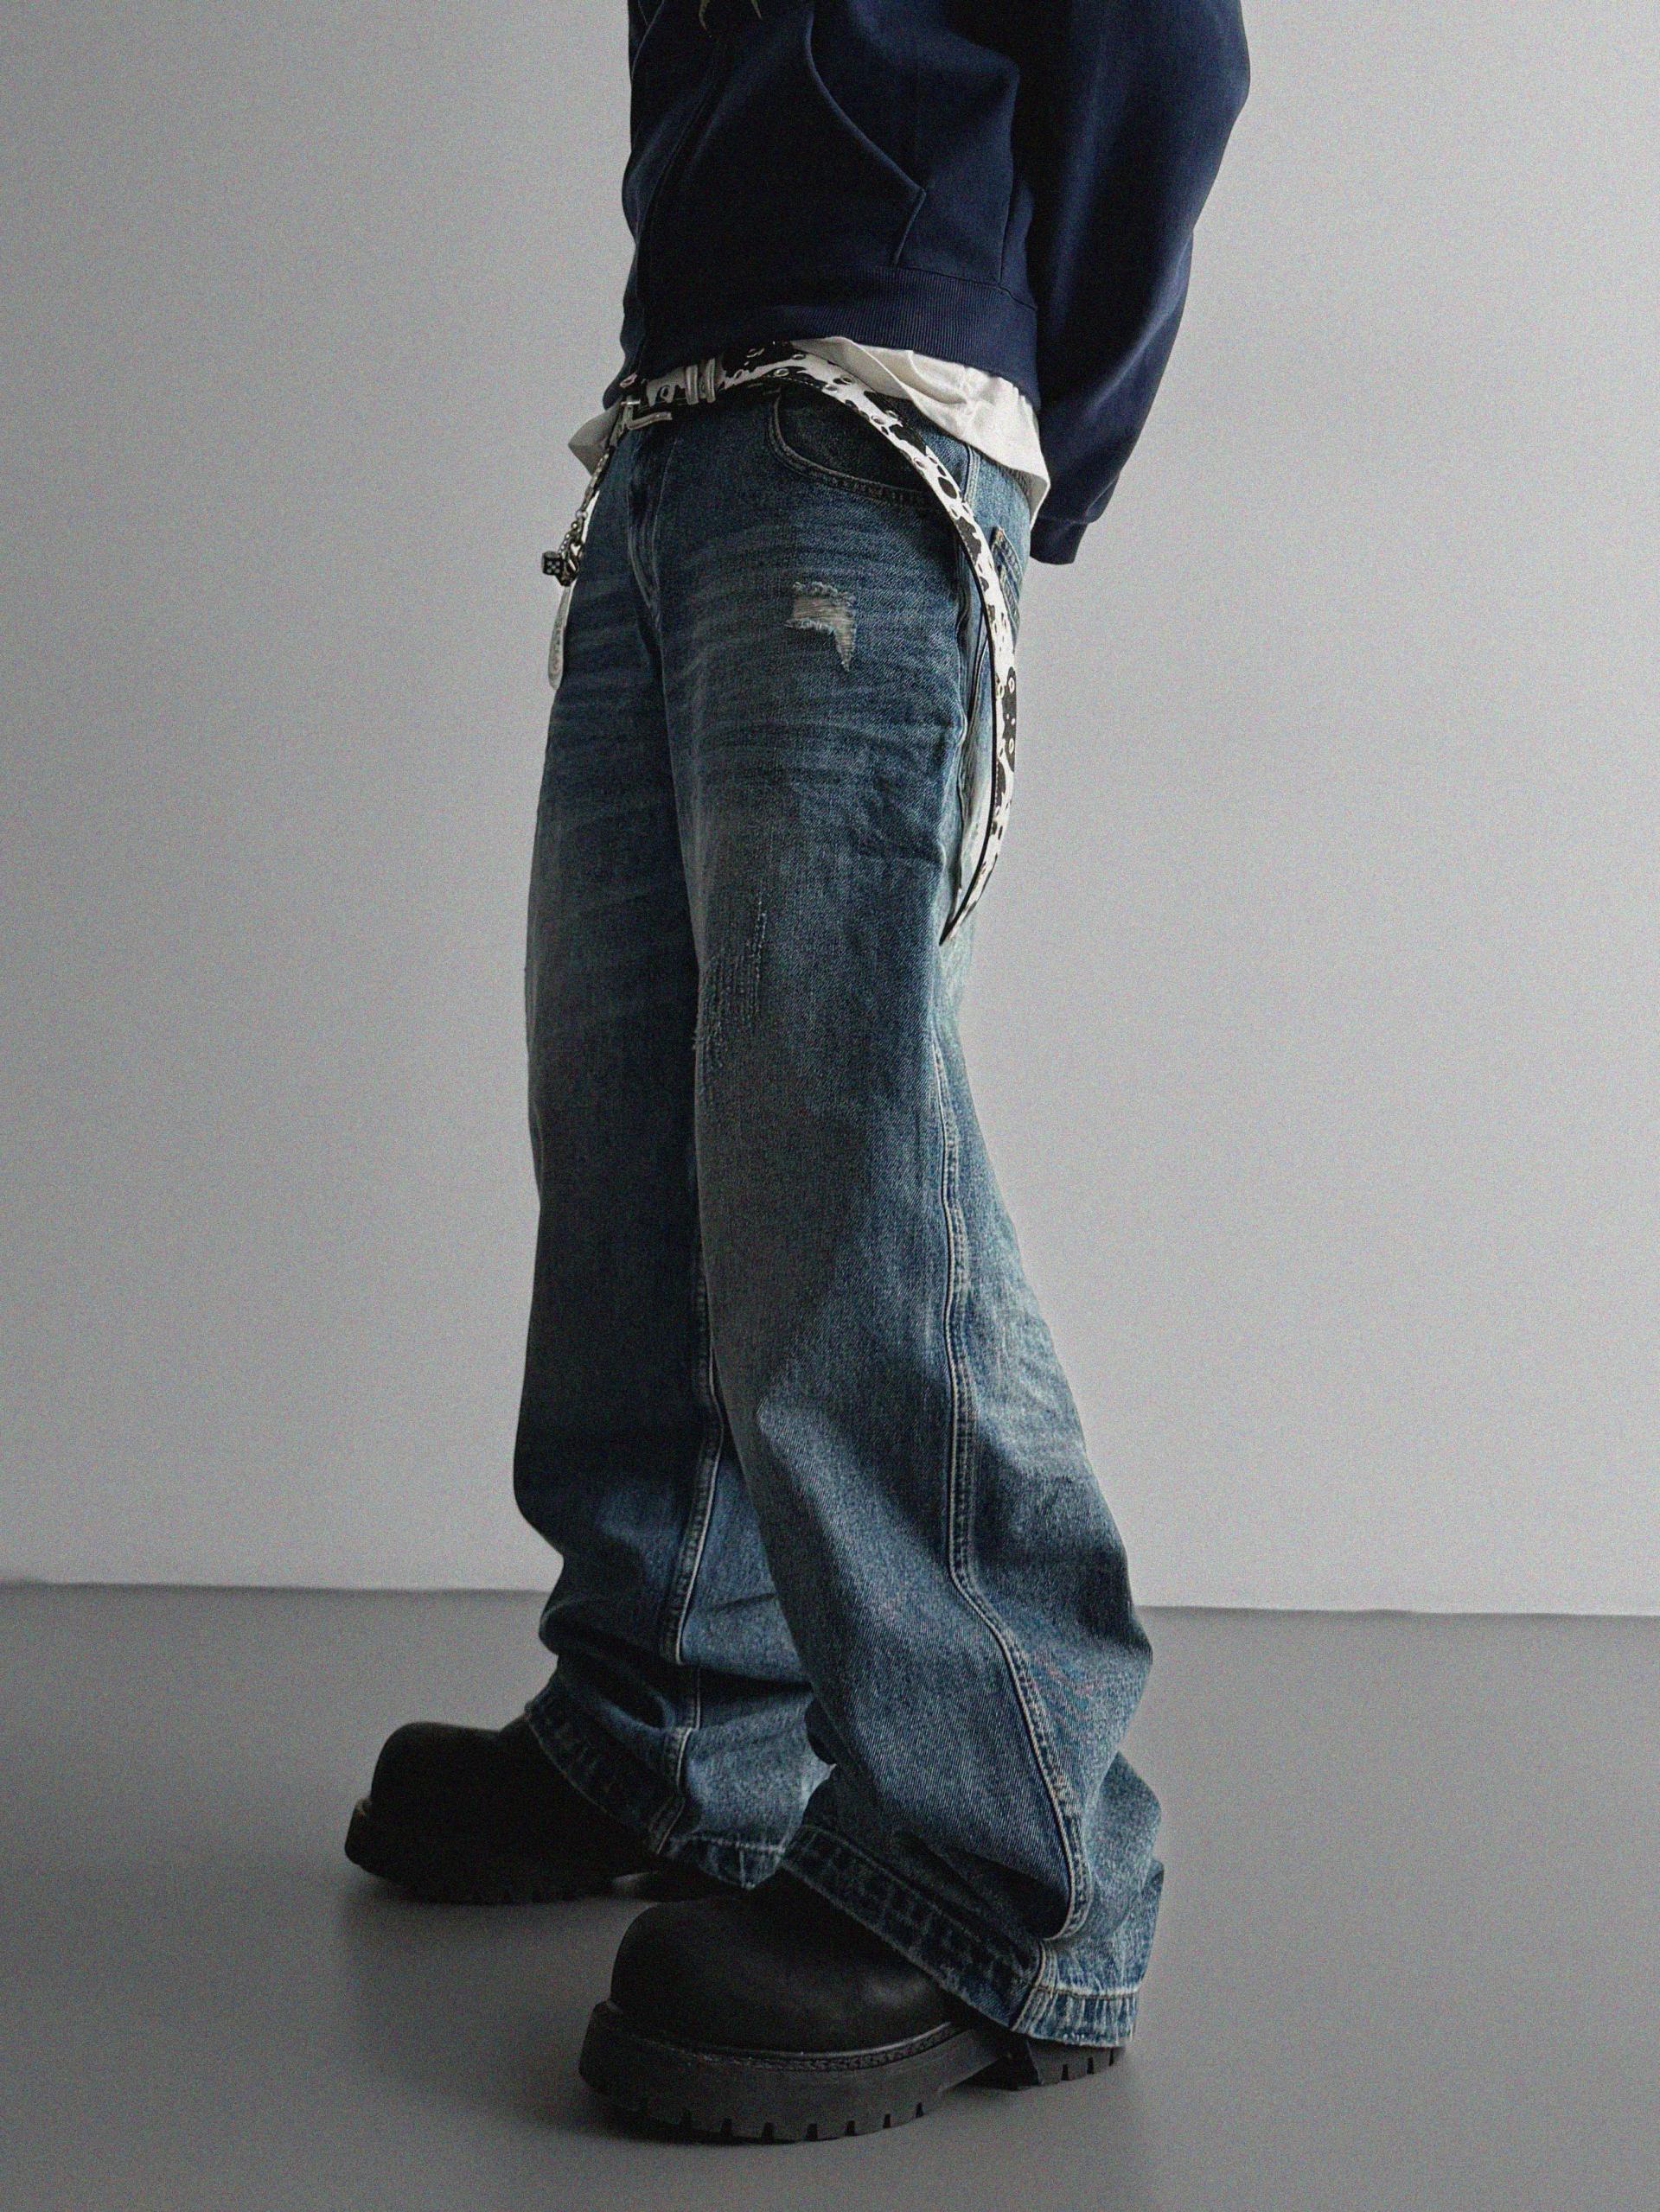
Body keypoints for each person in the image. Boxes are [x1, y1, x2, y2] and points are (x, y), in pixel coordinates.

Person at [345, 0, 1248, 2142]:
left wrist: (1022, 413)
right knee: (635, 1128)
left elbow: (1167, 58)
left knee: (828, 1138)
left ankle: (1002, 1855)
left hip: (871, 424)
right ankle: (675, 1715)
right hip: (675, 440)